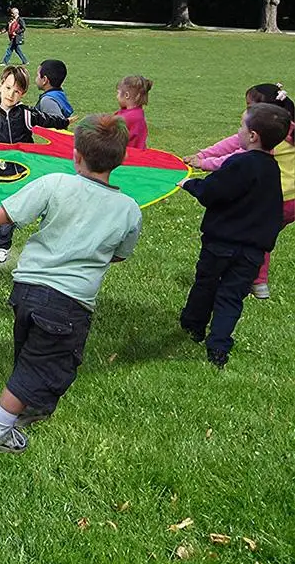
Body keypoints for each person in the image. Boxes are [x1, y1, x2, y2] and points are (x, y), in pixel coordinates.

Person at [0, 114, 141, 454]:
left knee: (33, 354)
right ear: (121, 160)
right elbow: (119, 254)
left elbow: (4, 213)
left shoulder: (54, 184)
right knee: (43, 364)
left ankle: (23, 405)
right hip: (69, 303)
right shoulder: (129, 210)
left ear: (76, 155)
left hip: (27, 290)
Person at [178, 103, 289, 368]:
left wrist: (190, 185)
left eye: (241, 126)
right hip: (251, 251)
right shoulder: (272, 169)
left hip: (221, 244)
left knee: (206, 284)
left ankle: (193, 325)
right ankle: (218, 346)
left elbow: (213, 192)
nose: (238, 131)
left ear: (253, 136)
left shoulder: (239, 163)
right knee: (231, 296)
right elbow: (274, 211)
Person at [184, 83, 295, 301]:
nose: (247, 112)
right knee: (262, 237)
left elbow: (237, 159)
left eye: (250, 107)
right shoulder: (288, 129)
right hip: (292, 200)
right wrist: (203, 154)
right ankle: (254, 279)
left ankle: (251, 280)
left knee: (251, 237)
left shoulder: (272, 140)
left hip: (276, 199)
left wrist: (204, 163)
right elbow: (232, 143)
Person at [0, 66, 70, 264]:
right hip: (5, 175)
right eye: (8, 88)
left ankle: (54, 243)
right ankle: (2, 247)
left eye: (16, 91)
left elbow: (46, 119)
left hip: (29, 173)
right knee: (9, 213)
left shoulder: (26, 114)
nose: (11, 94)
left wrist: (64, 122)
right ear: (0, 86)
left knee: (46, 206)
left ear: (23, 93)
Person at [115, 76, 153, 149]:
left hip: (129, 155)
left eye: (118, 93)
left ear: (126, 95)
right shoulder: (136, 113)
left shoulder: (130, 117)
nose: (117, 96)